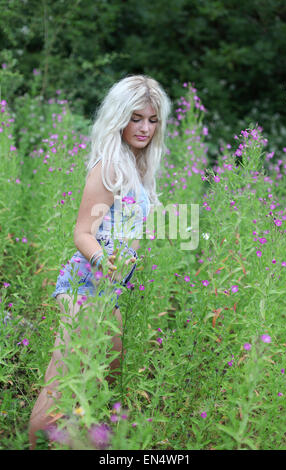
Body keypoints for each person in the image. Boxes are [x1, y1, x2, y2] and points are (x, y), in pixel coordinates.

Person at [28, 74, 171, 449]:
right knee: (60, 396)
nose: (145, 128)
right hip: (86, 288)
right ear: (119, 117)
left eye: (152, 120)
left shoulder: (137, 169)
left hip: (112, 294)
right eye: (136, 118)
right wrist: (107, 263)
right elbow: (82, 233)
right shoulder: (108, 167)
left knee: (99, 395)